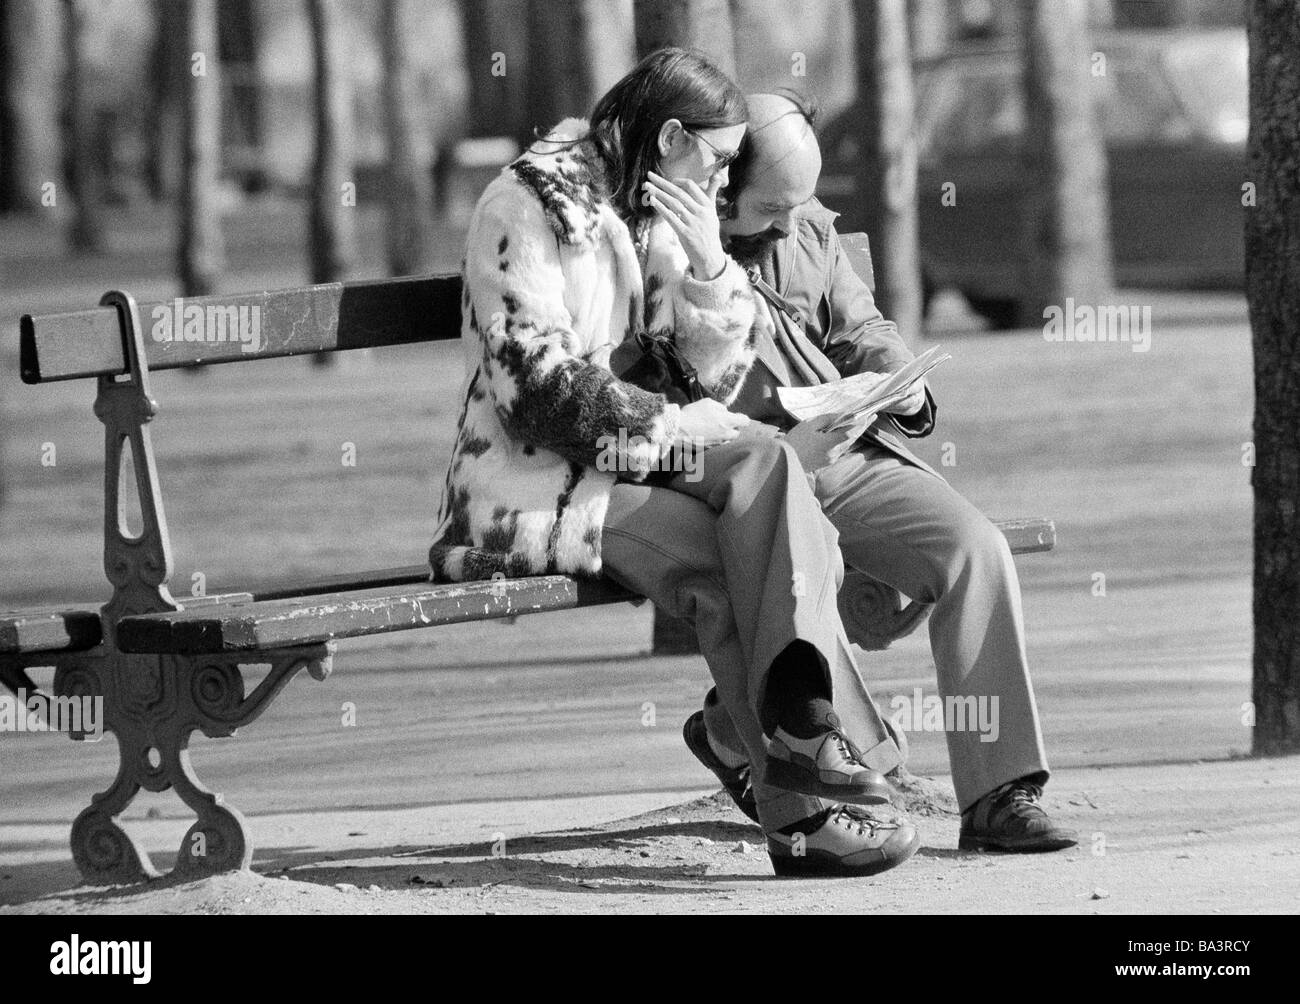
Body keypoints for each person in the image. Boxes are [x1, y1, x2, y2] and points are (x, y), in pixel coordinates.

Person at [430, 51, 920, 876]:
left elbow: (709, 376)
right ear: (669, 138)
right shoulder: (525, 205)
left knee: (766, 465)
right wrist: (666, 424)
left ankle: (803, 726)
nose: (727, 183)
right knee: (727, 568)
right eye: (722, 159)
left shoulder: (658, 206)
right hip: (538, 487)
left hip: (641, 460)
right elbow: (534, 391)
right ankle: (805, 811)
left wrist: (710, 269)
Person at [676, 91, 1078, 853]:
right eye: (772, 206)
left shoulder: (810, 228)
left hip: (843, 449)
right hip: (743, 475)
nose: (792, 222)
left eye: (802, 203)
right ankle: (767, 743)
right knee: (807, 573)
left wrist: (905, 383)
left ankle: (999, 794)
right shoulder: (663, 248)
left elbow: (864, 330)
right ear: (720, 182)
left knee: (973, 549)